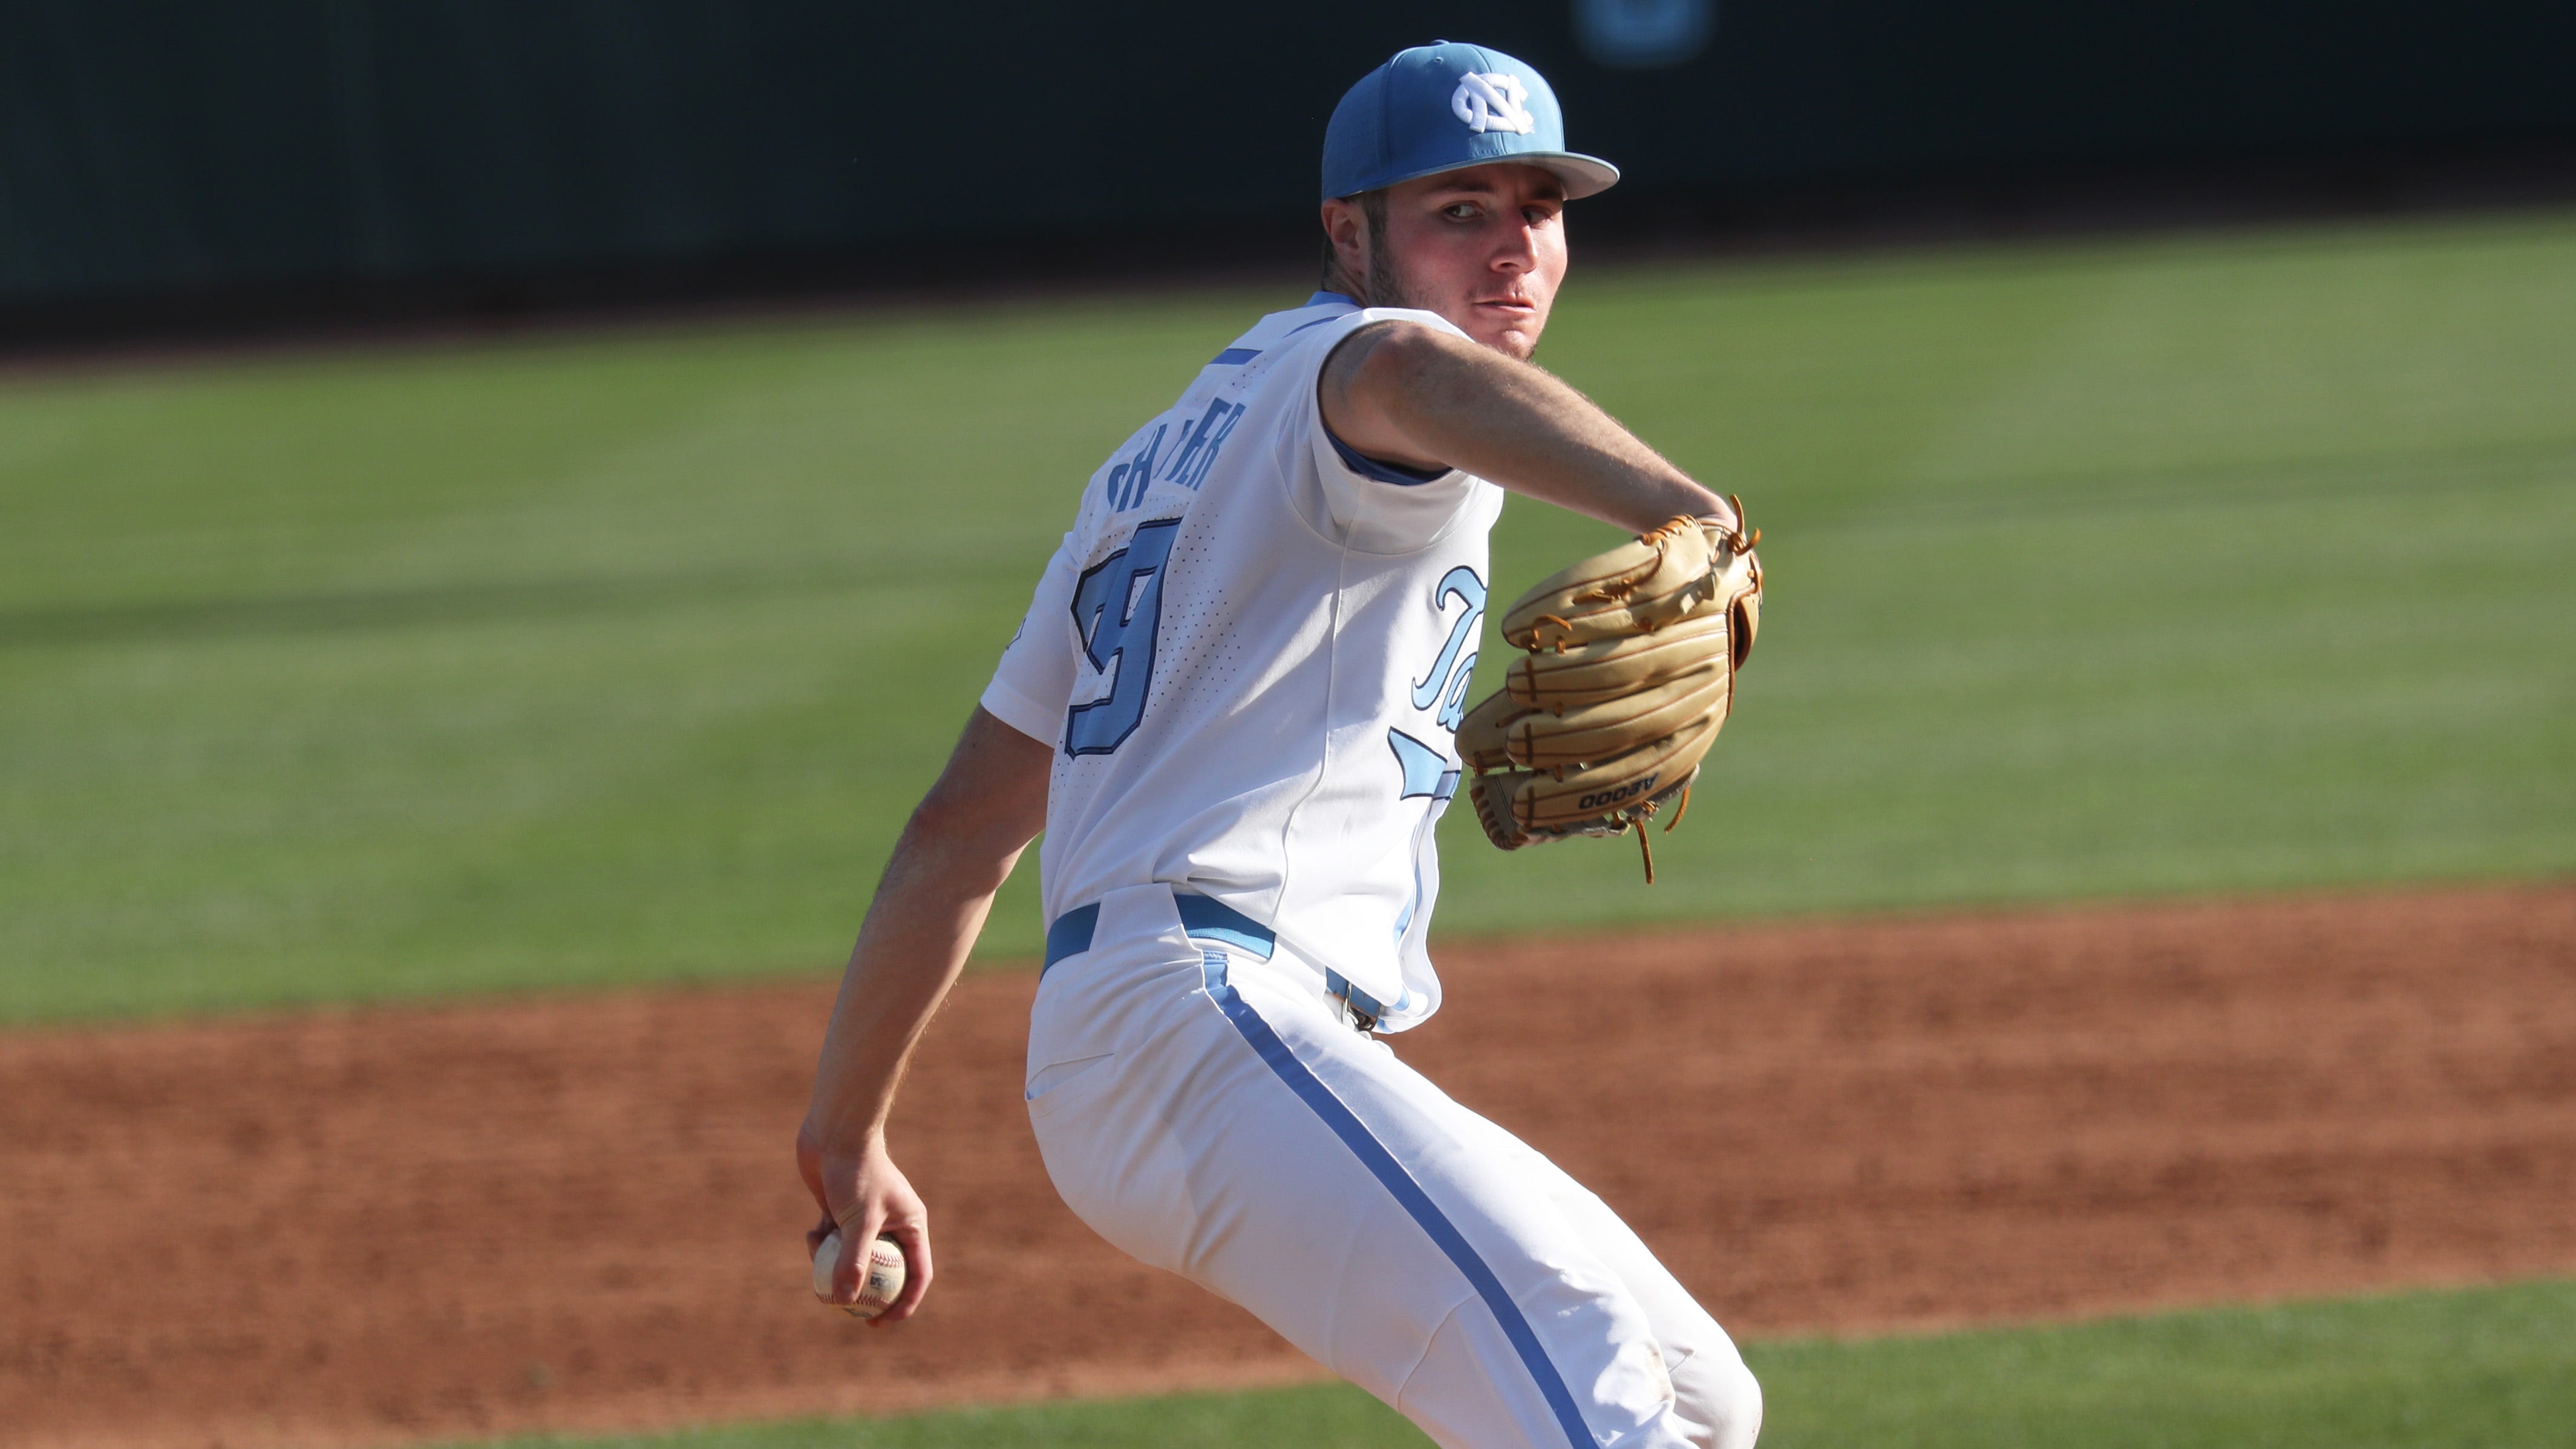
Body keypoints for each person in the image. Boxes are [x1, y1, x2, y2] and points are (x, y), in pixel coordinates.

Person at [798, 41, 1762, 1449]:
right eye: (1458, 211)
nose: (1510, 250)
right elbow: (1404, 371)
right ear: (1346, 231)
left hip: (1181, 1034)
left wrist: (846, 1126)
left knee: (1696, 1401)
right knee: (1581, 1355)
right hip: (1194, 1014)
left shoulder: (1159, 456)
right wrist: (1692, 516)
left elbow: (964, 828)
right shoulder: (1360, 370)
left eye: (1535, 210)